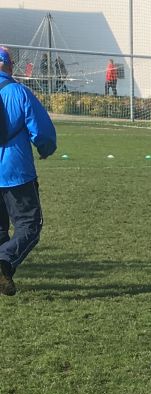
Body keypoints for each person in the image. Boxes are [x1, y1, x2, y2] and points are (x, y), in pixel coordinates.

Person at [0, 46, 57, 297]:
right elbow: (42, 130)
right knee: (30, 226)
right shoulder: (18, 92)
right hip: (15, 171)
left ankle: (4, 274)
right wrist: (45, 148)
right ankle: (4, 262)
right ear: (9, 66)